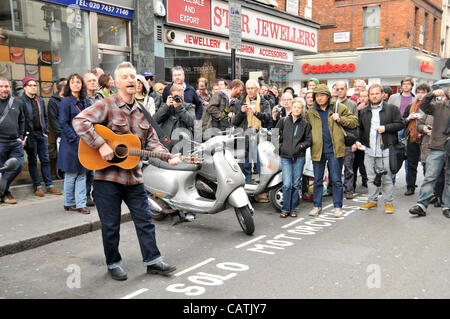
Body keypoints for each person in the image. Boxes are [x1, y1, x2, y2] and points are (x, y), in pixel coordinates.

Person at [73, 62, 180, 280]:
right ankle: (113, 263)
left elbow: (151, 140)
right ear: (117, 82)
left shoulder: (143, 111)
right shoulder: (106, 104)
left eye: (133, 76)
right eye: (126, 77)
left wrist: (168, 156)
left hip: (134, 178)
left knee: (145, 221)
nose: (131, 80)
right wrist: (100, 144)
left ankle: (153, 261)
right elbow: (79, 121)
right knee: (111, 226)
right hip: (107, 179)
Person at [305, 84, 358, 218]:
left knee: (336, 180)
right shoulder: (311, 112)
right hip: (318, 150)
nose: (320, 98)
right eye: (317, 96)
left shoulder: (338, 107)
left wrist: (340, 118)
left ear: (328, 96)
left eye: (322, 95)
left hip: (335, 149)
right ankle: (317, 206)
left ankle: (337, 207)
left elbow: (354, 122)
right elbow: (306, 129)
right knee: (317, 180)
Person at [357, 84, 404, 214]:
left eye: (377, 93)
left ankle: (388, 203)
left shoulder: (392, 109)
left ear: (382, 94)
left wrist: (386, 128)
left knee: (387, 178)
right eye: (372, 94)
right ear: (369, 96)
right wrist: (359, 141)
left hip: (386, 150)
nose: (374, 96)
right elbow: (360, 129)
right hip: (369, 150)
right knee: (371, 178)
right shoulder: (364, 111)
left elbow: (401, 124)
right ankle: (372, 201)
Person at [409, 88, 450, 218]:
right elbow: (423, 105)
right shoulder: (439, 106)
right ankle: (421, 205)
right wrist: (431, 94)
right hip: (438, 146)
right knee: (430, 177)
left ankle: (447, 206)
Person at [19, 77, 62, 197]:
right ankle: (37, 186)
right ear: (25, 87)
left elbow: (44, 116)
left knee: (46, 160)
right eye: (31, 85)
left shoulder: (40, 100)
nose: (34, 87)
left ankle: (49, 186)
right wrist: (24, 136)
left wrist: (46, 131)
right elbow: (21, 120)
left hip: (41, 135)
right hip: (30, 135)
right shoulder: (21, 101)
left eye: (35, 85)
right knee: (33, 161)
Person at [232, 79, 271, 202]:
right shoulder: (240, 102)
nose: (249, 90)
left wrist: (255, 112)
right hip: (245, 137)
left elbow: (268, 119)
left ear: (257, 90)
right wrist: (241, 112)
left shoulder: (265, 102)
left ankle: (262, 192)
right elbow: (234, 122)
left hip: (259, 137)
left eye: (252, 88)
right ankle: (247, 193)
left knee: (261, 165)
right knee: (246, 165)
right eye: (248, 88)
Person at [58, 74, 90, 214]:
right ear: (68, 85)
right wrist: (75, 138)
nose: (76, 84)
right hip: (70, 142)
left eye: (78, 82)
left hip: (84, 141)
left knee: (83, 173)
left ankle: (81, 204)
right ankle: (69, 202)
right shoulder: (65, 102)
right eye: (73, 82)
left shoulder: (85, 101)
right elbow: (63, 123)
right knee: (71, 174)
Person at [276, 99, 312, 218]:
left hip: (299, 157)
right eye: (295, 107)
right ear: (291, 108)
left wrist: (301, 147)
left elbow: (309, 140)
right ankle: (285, 208)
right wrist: (280, 148)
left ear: (302, 109)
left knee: (296, 185)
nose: (297, 109)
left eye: (299, 107)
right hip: (285, 157)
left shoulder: (305, 124)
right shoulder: (283, 121)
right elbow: (274, 135)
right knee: (286, 184)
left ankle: (293, 208)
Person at [402, 83, 431, 196]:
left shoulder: (432, 106)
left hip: (427, 137)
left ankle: (428, 189)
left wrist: (422, 119)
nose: (420, 95)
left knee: (427, 164)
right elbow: (403, 121)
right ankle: (410, 186)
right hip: (413, 137)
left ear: (428, 93)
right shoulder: (411, 105)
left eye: (423, 92)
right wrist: (409, 118)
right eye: (418, 92)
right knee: (411, 163)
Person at [0, 77, 25, 204]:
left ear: (10, 88)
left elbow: (22, 120)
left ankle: (2, 190)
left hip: (15, 142)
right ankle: (5, 193)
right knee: (2, 169)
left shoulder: (16, 103)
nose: (4, 89)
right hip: (1, 142)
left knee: (18, 165)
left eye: (6, 86)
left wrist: (20, 137)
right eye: (1, 87)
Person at [334, 81, 358, 199]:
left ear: (346, 89)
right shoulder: (332, 104)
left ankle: (349, 189)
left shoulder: (352, 104)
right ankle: (334, 188)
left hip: (348, 139)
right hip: (334, 140)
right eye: (337, 89)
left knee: (348, 166)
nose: (339, 91)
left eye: (342, 89)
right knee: (334, 167)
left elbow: (355, 124)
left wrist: (354, 142)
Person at [418, 110, 445, 207]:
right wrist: (424, 128)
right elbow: (419, 124)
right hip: (428, 146)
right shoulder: (430, 111)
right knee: (428, 175)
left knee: (441, 177)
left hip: (443, 147)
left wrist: (436, 132)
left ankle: (440, 197)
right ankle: (429, 197)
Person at [83, 72, 100, 207]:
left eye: (94, 80)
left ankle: (97, 194)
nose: (93, 82)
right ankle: (86, 194)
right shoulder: (83, 99)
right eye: (89, 81)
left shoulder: (101, 97)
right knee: (89, 169)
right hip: (88, 135)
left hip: (102, 135)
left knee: (99, 168)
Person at [47, 78, 66, 180]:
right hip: (60, 135)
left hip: (72, 133)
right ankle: (59, 173)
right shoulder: (53, 101)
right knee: (60, 155)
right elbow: (53, 119)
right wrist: (61, 133)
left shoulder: (70, 99)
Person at [353, 89, 369, 189]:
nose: (363, 98)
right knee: (355, 162)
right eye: (361, 96)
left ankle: (365, 180)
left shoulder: (371, 107)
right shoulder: (356, 107)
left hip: (366, 138)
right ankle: (352, 183)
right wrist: (357, 110)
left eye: (365, 96)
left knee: (365, 162)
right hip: (357, 137)